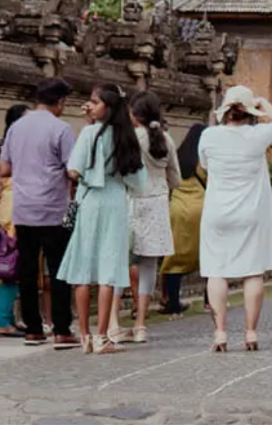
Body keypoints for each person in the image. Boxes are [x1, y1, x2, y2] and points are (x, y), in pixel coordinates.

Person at [59, 83, 147, 354]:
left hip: (90, 200)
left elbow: (73, 169)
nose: (90, 106)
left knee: (84, 269)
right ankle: (102, 337)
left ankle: (85, 335)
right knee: (109, 269)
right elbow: (138, 182)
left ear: (107, 106)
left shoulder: (88, 134)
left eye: (94, 102)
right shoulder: (126, 136)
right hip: (115, 199)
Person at [199, 86, 272, 352]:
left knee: (217, 271)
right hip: (250, 211)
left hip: (217, 212)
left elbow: (204, 165)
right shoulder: (257, 135)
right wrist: (262, 102)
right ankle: (250, 332)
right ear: (249, 112)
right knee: (252, 271)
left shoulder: (209, 136)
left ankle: (220, 333)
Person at [0, 78, 80, 349]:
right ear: (59, 102)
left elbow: (4, 168)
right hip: (54, 209)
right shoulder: (62, 129)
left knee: (27, 269)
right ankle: (61, 329)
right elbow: (72, 168)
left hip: (23, 209)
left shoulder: (16, 127)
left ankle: (33, 328)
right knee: (58, 269)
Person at [109, 91, 180, 344]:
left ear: (133, 114)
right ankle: (140, 325)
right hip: (158, 203)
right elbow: (176, 179)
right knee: (149, 266)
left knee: (119, 263)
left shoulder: (130, 138)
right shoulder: (166, 139)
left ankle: (114, 323)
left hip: (130, 202)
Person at [161, 123, 207, 320]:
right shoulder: (203, 160)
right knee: (208, 257)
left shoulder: (178, 155)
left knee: (174, 259)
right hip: (201, 209)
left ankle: (174, 307)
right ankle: (209, 301)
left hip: (177, 209)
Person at [0, 105, 28, 338]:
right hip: (10, 216)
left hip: (18, 211)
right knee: (9, 267)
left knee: (16, 268)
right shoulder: (9, 152)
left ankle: (9, 317)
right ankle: (3, 320)